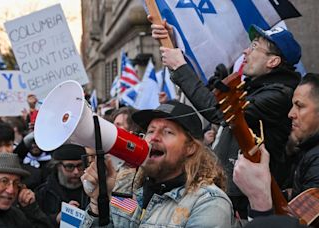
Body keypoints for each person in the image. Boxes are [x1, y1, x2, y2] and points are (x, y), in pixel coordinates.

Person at [152, 21, 301, 218]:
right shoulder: (256, 87)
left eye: (255, 46)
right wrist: (172, 44)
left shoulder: (279, 95)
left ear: (272, 62)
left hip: (248, 204)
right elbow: (208, 95)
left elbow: (221, 112)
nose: (246, 52)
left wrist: (180, 66)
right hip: (232, 195)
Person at [81, 100, 233, 227]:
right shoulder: (128, 191)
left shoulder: (209, 204)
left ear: (190, 148)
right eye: (150, 131)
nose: (154, 138)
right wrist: (99, 202)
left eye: (167, 132)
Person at [233, 73, 319, 220]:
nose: (291, 114)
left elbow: (301, 222)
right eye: (292, 105)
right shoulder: (305, 150)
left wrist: (260, 200)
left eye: (299, 106)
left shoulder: (316, 159)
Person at [0, 152, 51, 227]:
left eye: (16, 183)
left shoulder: (16, 214)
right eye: (4, 181)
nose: (11, 190)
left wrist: (32, 209)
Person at [36, 144, 88, 227]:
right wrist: (56, 219)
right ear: (58, 166)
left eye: (80, 166)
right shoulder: (43, 193)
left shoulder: (93, 191)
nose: (76, 172)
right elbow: (35, 222)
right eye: (69, 166)